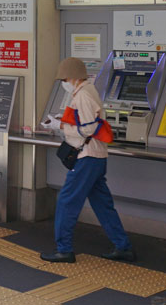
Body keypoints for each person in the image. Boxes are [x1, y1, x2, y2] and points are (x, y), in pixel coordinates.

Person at [40, 56, 136, 264]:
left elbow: (90, 128)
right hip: (95, 156)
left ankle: (63, 249)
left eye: (63, 79)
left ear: (72, 78)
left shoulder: (83, 95)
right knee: (102, 204)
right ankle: (123, 246)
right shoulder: (87, 91)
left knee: (67, 201)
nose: (63, 83)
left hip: (87, 156)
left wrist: (60, 126)